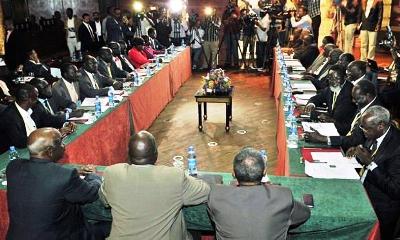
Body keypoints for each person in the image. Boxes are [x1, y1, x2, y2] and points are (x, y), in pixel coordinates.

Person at [99, 130, 210, 239]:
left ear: (128, 155)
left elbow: (104, 199)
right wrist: (188, 178)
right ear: (156, 154)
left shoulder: (112, 173)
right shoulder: (173, 177)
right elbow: (205, 191)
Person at [6, 128, 101, 239]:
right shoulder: (66, 176)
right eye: (61, 142)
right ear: (50, 151)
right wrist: (93, 175)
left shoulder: (13, 167)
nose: (64, 145)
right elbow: (92, 194)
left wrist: (65, 171)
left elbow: (41, 176)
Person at [207, 147, 310, 240]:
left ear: (233, 173)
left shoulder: (216, 195)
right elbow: (305, 214)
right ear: (264, 172)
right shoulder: (283, 196)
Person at [346, 106, 400, 239]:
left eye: (366, 128)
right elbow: (372, 151)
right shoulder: (374, 133)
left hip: (382, 209)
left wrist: (370, 163)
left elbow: (395, 189)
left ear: (381, 125)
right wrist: (358, 150)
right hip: (363, 191)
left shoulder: (397, 147)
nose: (363, 131)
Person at [304, 80, 380, 151]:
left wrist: (324, 138)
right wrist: (332, 122)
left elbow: (356, 140)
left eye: (357, 98)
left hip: (354, 150)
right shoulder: (363, 104)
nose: (353, 101)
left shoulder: (374, 113)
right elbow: (349, 127)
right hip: (345, 141)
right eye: (353, 98)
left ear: (368, 96)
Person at [304, 64, 357, 135]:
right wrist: (311, 104)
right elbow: (318, 98)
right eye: (330, 78)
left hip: (341, 133)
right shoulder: (331, 88)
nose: (333, 81)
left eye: (337, 78)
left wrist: (329, 120)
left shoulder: (350, 94)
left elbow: (341, 121)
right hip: (329, 127)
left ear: (345, 78)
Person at [222, 0, 241, 69]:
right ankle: (228, 63)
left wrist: (235, 16)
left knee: (235, 48)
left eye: (234, 1)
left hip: (235, 31)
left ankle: (236, 63)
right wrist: (227, 20)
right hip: (227, 31)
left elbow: (239, 19)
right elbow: (223, 21)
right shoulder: (226, 11)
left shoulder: (237, 10)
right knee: (228, 48)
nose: (232, 2)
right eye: (231, 1)